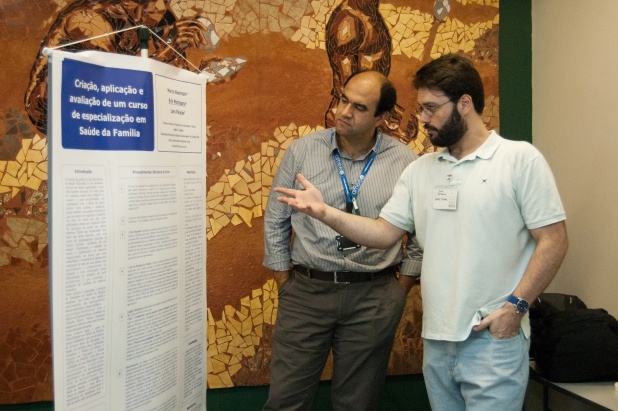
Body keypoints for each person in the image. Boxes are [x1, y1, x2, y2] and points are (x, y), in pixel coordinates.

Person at [272, 54, 569, 411]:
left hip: (493, 338)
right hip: (439, 340)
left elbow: (554, 240)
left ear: (464, 104)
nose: (422, 119)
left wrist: (515, 308)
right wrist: (325, 212)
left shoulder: (519, 159)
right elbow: (383, 233)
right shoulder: (422, 170)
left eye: (430, 109)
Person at [263, 69, 422, 411]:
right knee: (284, 402)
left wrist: (400, 289)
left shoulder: (405, 163)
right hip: (307, 293)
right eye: (343, 99)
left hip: (374, 297)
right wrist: (284, 282)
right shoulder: (303, 151)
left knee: (357, 404)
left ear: (381, 117)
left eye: (360, 107)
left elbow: (420, 235)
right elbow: (276, 220)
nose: (344, 111)